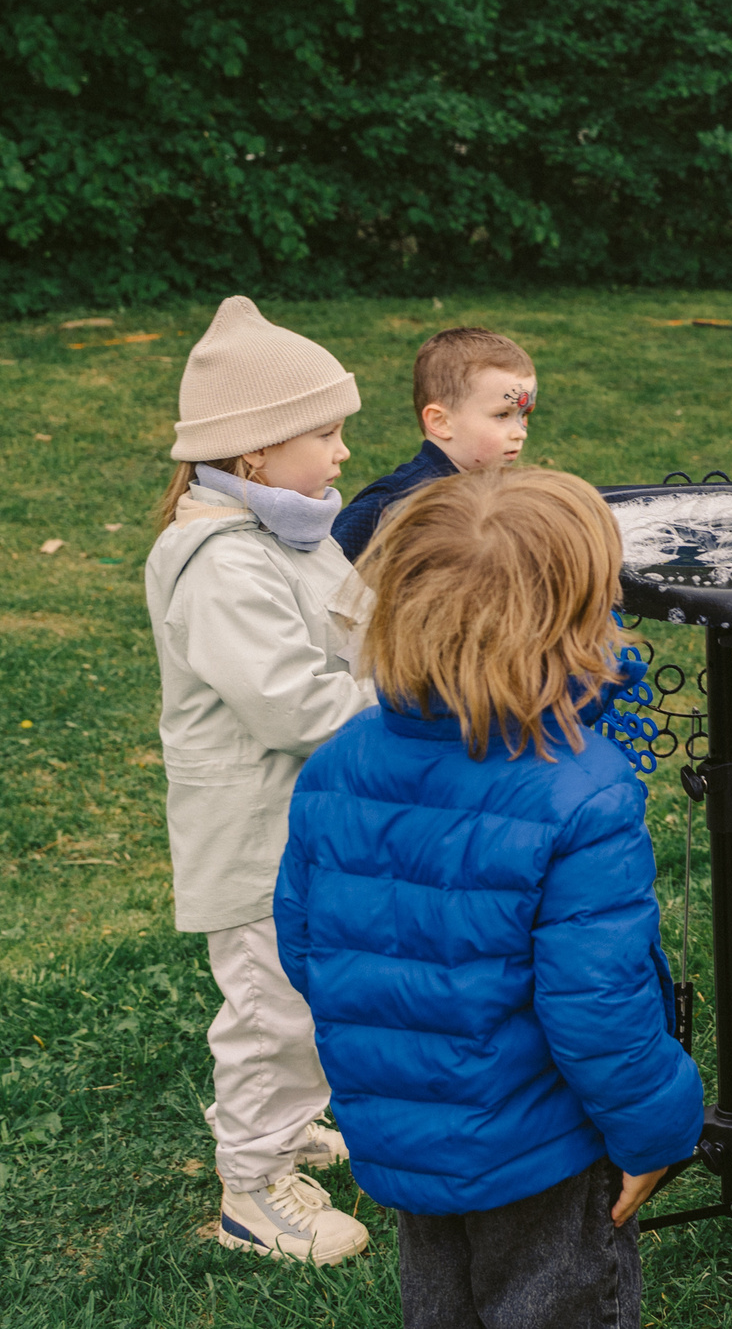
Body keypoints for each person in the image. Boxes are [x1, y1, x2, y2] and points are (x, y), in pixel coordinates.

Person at [276, 466, 704, 1327]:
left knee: (440, 1307)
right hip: (539, 1145)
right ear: (571, 623)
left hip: (403, 1126)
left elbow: (304, 942)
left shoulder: (337, 763)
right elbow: (599, 1007)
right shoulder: (581, 788)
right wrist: (657, 1131)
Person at [142, 295, 376, 1265]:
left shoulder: (291, 530)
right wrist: (414, 699)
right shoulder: (218, 560)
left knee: (311, 988)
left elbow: (356, 625)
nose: (342, 453)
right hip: (255, 836)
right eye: (324, 433)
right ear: (253, 456)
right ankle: (251, 1186)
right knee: (270, 1005)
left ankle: (291, 1124)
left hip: (308, 824)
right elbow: (293, 704)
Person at [333, 326, 537, 561]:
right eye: (502, 415)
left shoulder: (497, 492)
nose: (520, 432)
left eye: (524, 415)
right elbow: (330, 571)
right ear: (440, 422)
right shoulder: (394, 503)